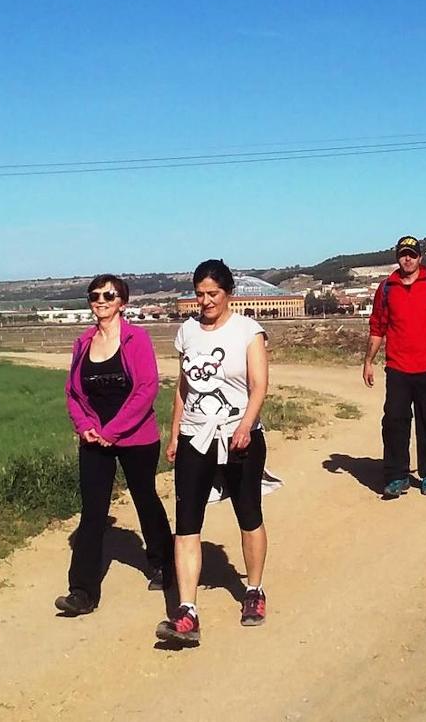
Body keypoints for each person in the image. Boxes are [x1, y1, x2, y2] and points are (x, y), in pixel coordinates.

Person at [156, 260, 270, 646]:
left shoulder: (247, 331)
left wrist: (245, 426)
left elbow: (258, 385)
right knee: (186, 522)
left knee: (248, 513)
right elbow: (183, 388)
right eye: (200, 294)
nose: (205, 301)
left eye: (213, 294)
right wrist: (174, 435)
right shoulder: (187, 331)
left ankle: (253, 591)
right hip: (195, 436)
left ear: (228, 294)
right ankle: (187, 611)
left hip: (239, 435)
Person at [56, 274, 172, 617]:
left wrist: (113, 431)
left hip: (136, 436)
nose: (101, 301)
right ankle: (82, 591)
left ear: (122, 301)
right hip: (94, 440)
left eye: (109, 295)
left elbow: (146, 389)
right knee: (92, 511)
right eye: (95, 296)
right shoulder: (83, 342)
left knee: (145, 498)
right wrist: (86, 426)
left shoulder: (137, 339)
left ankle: (164, 564)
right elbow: (73, 393)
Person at [362, 235, 426, 499]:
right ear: (397, 256)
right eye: (403, 254)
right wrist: (368, 361)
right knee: (394, 422)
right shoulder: (386, 288)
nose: (408, 259)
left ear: (421, 257)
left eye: (413, 254)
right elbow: (377, 328)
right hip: (398, 368)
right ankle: (396, 476)